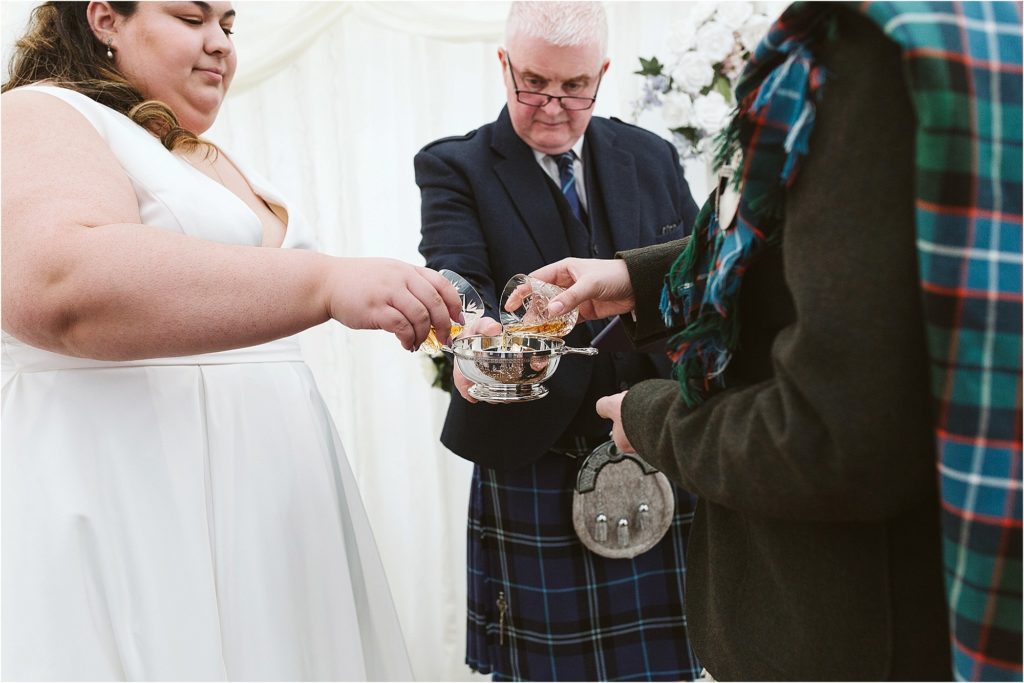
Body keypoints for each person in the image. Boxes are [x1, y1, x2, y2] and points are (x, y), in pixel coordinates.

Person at [523, 2, 1023, 680]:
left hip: (846, 629)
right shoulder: (977, 29)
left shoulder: (862, 56)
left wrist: (652, 414)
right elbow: (829, 251)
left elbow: (829, 437)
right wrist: (641, 278)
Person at [1, 2, 464, 680]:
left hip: (272, 538)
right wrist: (323, 282)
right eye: (193, 18)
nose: (219, 44)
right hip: (144, 523)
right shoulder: (41, 114)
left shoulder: (188, 148)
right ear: (104, 18)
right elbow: (58, 283)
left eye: (228, 24)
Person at [415, 2, 701, 680]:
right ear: (504, 65)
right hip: (533, 463)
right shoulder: (454, 166)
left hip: (655, 444)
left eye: (574, 87)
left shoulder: (651, 155)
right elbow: (454, 270)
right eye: (533, 83)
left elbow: (700, 278)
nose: (552, 105)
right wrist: (472, 326)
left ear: (602, 74)